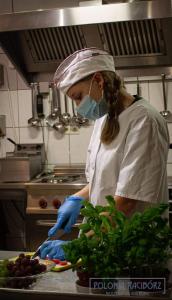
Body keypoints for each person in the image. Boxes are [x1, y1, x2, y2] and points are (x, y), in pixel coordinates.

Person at [39, 47, 169, 259]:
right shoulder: (105, 118)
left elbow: (127, 200)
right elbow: (103, 178)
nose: (78, 106)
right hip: (103, 242)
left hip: (134, 248)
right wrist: (77, 198)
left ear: (98, 81)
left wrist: (78, 246)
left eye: (78, 97)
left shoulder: (144, 120)